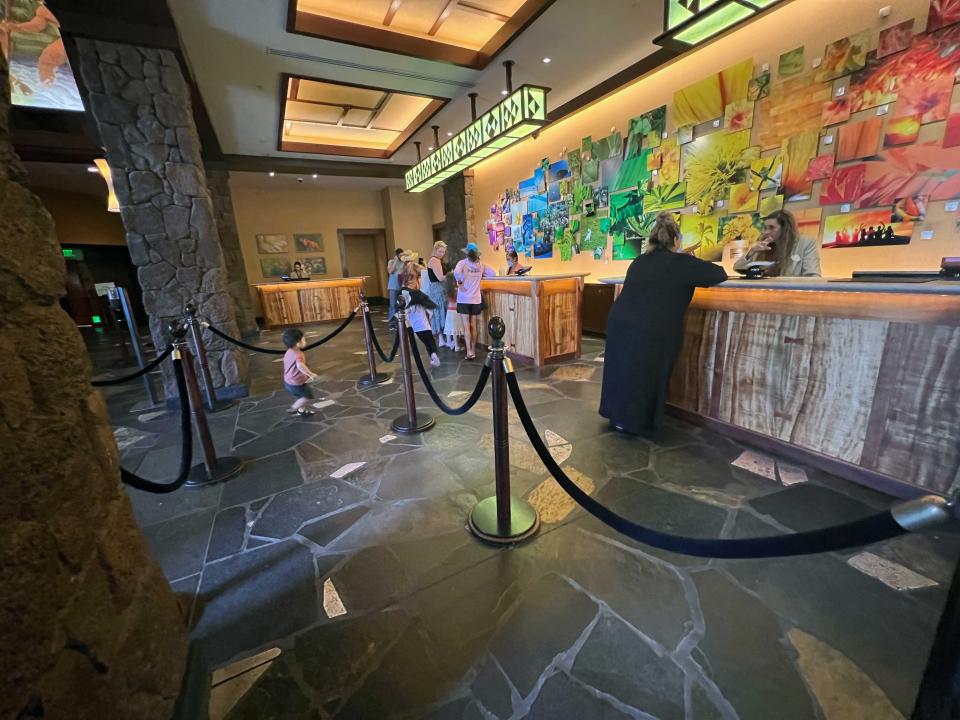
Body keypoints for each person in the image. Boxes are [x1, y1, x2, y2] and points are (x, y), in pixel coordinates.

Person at [600, 212, 727, 439]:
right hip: (653, 329)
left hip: (620, 322)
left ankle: (618, 418)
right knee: (648, 376)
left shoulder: (639, 261)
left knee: (622, 371)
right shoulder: (682, 263)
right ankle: (637, 424)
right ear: (676, 240)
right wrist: (690, 258)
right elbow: (719, 273)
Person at [734, 209, 822, 277]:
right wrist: (751, 252)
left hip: (792, 294)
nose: (766, 232)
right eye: (765, 228)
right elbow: (737, 268)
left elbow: (813, 275)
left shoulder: (806, 243)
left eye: (771, 228)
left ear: (785, 229)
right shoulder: (763, 245)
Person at [454, 242, 496, 360]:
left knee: (466, 326)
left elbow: (456, 273)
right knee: (474, 325)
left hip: (463, 298)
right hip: (476, 299)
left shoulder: (462, 263)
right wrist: (481, 274)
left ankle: (469, 352)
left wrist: (460, 282)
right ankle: (474, 349)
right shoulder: (481, 266)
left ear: (467, 253)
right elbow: (493, 273)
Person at [399, 264, 441, 367]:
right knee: (430, 341)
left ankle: (433, 355)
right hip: (424, 324)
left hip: (415, 325)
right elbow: (429, 307)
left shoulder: (405, 293)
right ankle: (433, 355)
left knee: (427, 342)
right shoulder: (418, 294)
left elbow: (404, 310)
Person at [282, 328, 320, 417]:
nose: (305, 341)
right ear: (298, 343)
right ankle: (294, 408)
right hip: (296, 382)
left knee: (300, 396)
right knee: (307, 396)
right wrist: (310, 374)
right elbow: (300, 366)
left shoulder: (288, 352)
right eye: (304, 339)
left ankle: (301, 411)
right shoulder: (298, 354)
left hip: (288, 381)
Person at [427, 241, 448, 347]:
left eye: (443, 252)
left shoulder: (433, 260)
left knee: (438, 312)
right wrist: (450, 275)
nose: (442, 254)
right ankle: (441, 339)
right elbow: (440, 278)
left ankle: (441, 339)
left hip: (435, 288)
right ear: (435, 250)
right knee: (440, 311)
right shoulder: (435, 260)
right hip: (438, 289)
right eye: (440, 251)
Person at [442, 271, 464, 352]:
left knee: (454, 329)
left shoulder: (447, 291)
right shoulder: (457, 290)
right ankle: (457, 346)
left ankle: (455, 344)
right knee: (456, 329)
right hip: (456, 311)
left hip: (449, 312)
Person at [386, 248, 403, 328]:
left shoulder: (404, 262)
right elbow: (390, 271)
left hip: (402, 286)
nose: (402, 256)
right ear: (396, 255)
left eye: (402, 255)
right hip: (393, 287)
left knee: (401, 305)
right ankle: (391, 323)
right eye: (400, 255)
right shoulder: (391, 261)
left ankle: (399, 322)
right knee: (393, 305)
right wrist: (395, 261)